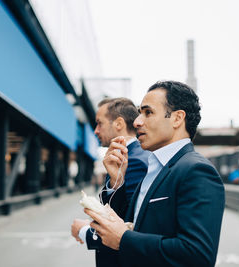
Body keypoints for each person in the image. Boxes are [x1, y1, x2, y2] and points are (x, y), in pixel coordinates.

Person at [85, 81, 225, 267]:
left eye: (148, 113)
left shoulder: (197, 171)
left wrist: (124, 239)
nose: (137, 121)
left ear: (177, 118)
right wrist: (117, 182)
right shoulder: (156, 166)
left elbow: (197, 255)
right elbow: (131, 223)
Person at [71, 98, 150, 267]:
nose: (95, 131)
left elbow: (128, 224)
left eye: (99, 123)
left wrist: (85, 231)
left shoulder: (134, 160)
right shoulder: (130, 156)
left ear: (119, 123)